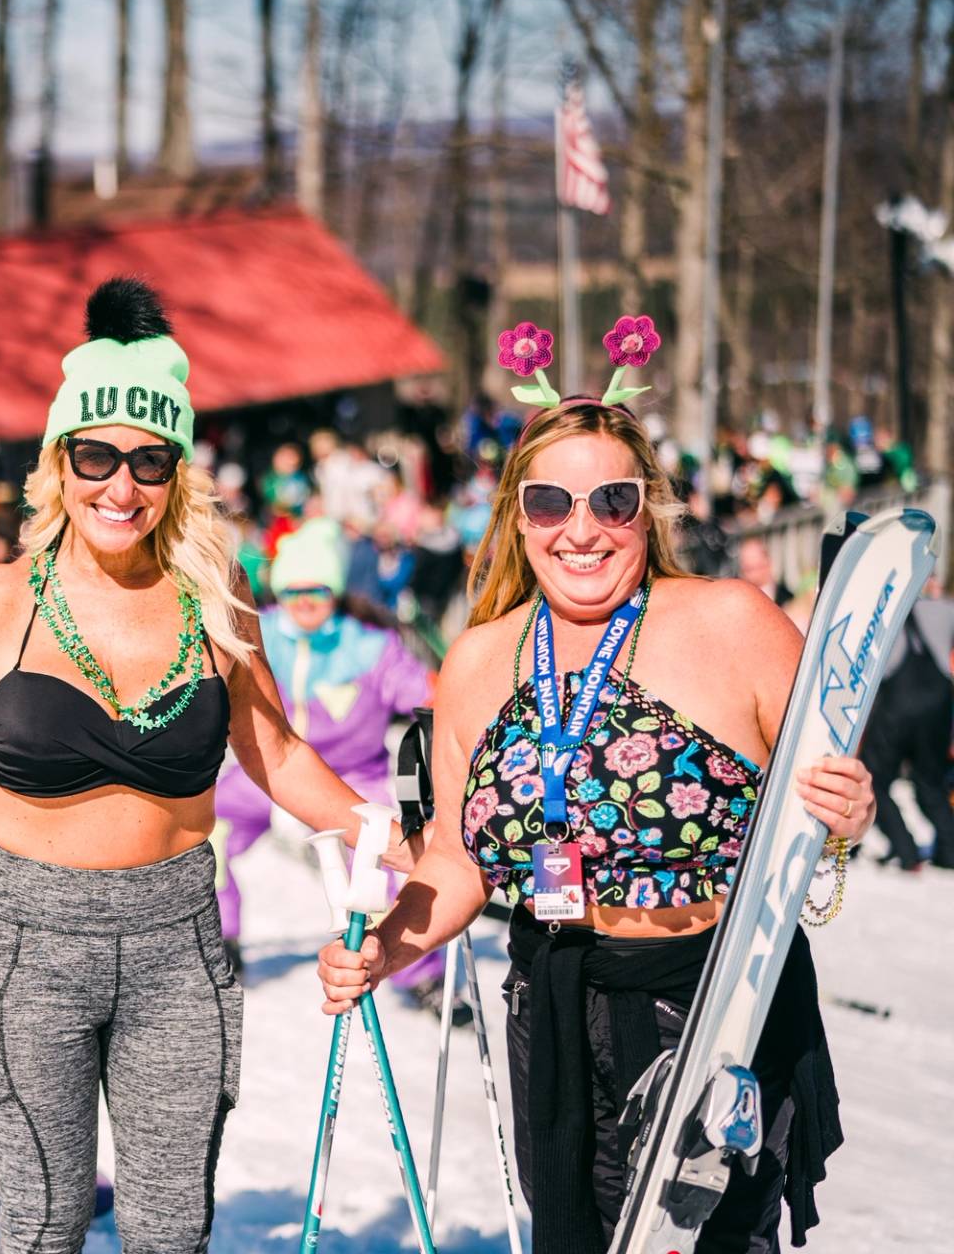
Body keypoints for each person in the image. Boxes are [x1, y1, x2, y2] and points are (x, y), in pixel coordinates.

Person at [0, 278, 376, 1253]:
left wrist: (385, 831)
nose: (123, 484)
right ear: (59, 461)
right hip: (27, 942)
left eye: (150, 459)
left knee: (170, 1229)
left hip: (179, 941)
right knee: (45, 1222)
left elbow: (273, 747)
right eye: (99, 454)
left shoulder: (216, 591)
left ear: (178, 471)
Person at [317, 319, 873, 1254]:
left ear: (646, 507)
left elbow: (814, 811)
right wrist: (384, 947)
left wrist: (845, 819)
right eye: (551, 503)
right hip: (555, 1011)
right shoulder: (481, 659)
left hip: (709, 1007)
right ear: (517, 513)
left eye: (611, 500)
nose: (581, 530)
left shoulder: (732, 623)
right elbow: (459, 859)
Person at [213, 516, 431, 967]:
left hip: (350, 782)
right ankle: (221, 939)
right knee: (204, 833)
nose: (305, 601)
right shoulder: (258, 633)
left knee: (384, 856)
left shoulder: (369, 645)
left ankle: (413, 967)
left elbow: (427, 694)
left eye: (318, 590)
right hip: (266, 776)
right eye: (294, 590)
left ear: (335, 592)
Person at [859, 583, 954, 870]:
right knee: (931, 782)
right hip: (937, 706)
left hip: (896, 708)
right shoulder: (945, 610)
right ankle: (949, 851)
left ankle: (906, 850)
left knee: (874, 779)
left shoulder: (878, 615)